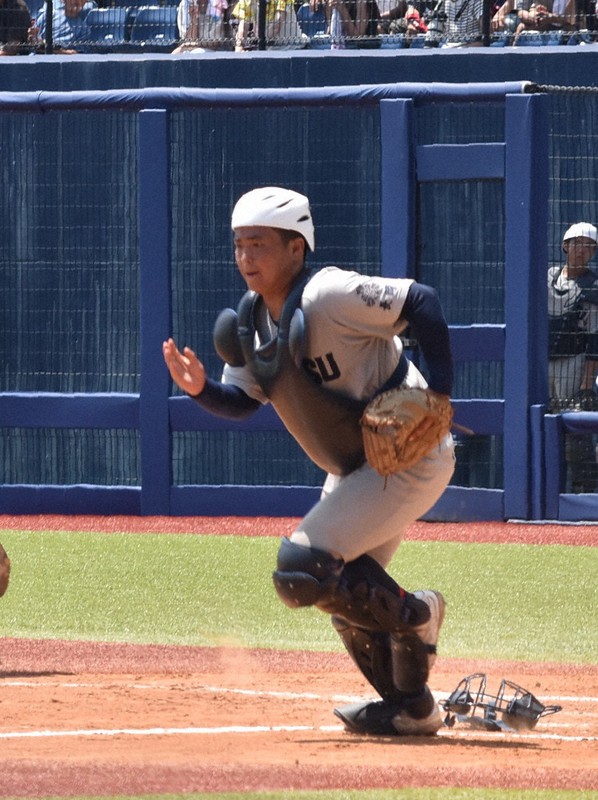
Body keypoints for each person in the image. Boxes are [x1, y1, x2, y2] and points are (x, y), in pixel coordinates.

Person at [163, 186, 455, 736]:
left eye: (260, 245)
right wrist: (200, 389)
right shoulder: (251, 323)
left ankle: (418, 617)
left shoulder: (327, 294)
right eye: (240, 246)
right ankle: (411, 707)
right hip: (355, 470)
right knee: (336, 593)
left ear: (297, 249)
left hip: (408, 460)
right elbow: (243, 402)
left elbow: (423, 302)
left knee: (301, 570)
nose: (246, 258)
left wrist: (437, 396)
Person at [548, 221, 598, 493]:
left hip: (573, 363)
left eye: (589, 246)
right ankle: (545, 492)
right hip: (543, 363)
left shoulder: (593, 286)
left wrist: (586, 384)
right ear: (565, 246)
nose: (582, 250)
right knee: (543, 426)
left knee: (575, 436)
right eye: (577, 243)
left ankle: (583, 494)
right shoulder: (548, 277)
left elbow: (594, 338)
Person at [232, 0, 308, 49]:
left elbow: (276, 26)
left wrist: (261, 43)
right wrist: (239, 49)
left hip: (292, 48)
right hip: (267, 50)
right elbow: (243, 28)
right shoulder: (247, 1)